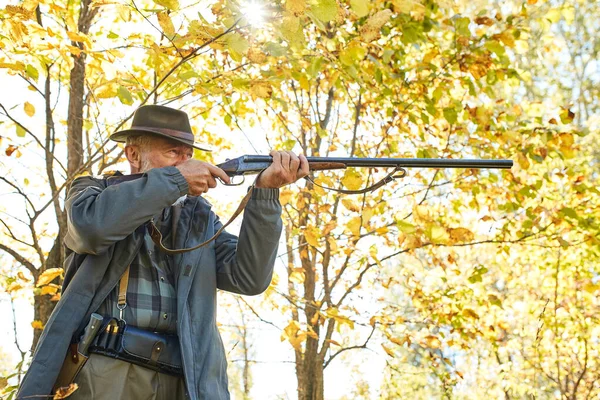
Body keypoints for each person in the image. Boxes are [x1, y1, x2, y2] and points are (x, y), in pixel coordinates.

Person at [17, 105, 309, 399]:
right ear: (133, 155)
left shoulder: (199, 217)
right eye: (173, 153)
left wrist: (266, 192)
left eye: (188, 155)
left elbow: (249, 278)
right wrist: (177, 180)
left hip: (183, 380)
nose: (185, 162)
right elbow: (92, 228)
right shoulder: (92, 192)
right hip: (106, 373)